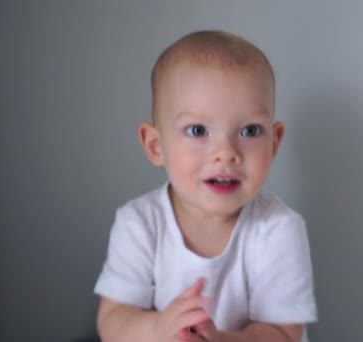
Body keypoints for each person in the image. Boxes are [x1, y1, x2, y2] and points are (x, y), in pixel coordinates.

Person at [93, 30, 317, 342]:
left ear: (274, 143)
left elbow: (284, 334)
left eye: (250, 130)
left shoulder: (278, 229)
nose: (226, 152)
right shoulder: (139, 223)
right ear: (156, 146)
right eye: (197, 130)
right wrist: (158, 330)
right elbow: (114, 321)